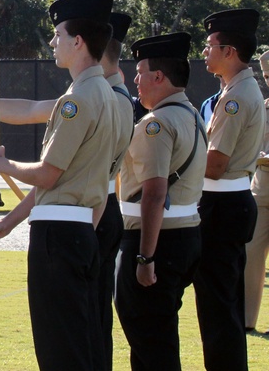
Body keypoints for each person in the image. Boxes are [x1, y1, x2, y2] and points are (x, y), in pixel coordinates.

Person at [0, 10, 134, 370]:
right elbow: (33, 114)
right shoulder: (101, 94)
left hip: (64, 233)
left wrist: (0, 164)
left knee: (63, 348)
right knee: (82, 342)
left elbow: (50, 173)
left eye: (59, 34)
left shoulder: (81, 99)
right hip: (81, 224)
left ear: (80, 41)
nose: (52, 42)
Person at [114, 32, 205, 370]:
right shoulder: (191, 113)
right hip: (184, 235)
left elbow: (153, 194)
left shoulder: (157, 124)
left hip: (155, 239)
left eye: (140, 72)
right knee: (156, 336)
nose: (135, 80)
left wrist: (144, 257)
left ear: (159, 77)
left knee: (150, 340)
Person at [195, 8, 262, 370]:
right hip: (228, 203)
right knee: (225, 306)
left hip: (221, 204)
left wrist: (177, 168)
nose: (205, 52)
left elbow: (216, 165)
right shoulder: (234, 91)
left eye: (210, 46)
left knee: (218, 308)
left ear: (230, 51)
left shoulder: (234, 98)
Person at [244, 50, 269, 333]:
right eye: (266, 76)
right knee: (251, 255)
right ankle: (247, 320)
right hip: (261, 185)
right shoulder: (262, 107)